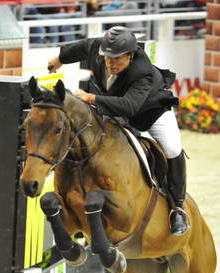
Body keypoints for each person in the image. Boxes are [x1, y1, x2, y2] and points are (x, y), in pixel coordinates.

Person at [47, 26, 189, 236]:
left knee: (172, 148)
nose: (111, 64)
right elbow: (83, 46)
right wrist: (59, 58)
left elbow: (129, 106)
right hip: (112, 108)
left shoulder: (143, 72)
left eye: (117, 59)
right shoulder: (100, 49)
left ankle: (178, 207)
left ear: (130, 56)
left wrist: (91, 98)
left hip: (150, 112)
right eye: (108, 59)